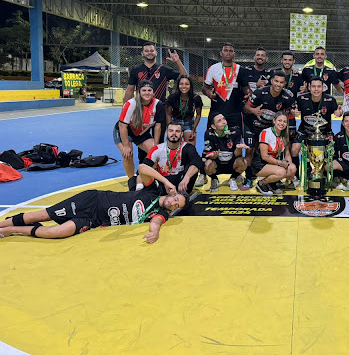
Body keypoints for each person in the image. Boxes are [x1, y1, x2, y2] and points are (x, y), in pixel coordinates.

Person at [0, 189, 186, 243]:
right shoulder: (153, 191)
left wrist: (155, 233)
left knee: (57, 232)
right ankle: (3, 224)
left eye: (177, 205)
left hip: (95, 220)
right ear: (172, 193)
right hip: (92, 200)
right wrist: (165, 181)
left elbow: (156, 223)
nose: (173, 203)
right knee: (43, 215)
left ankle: (12, 230)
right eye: (176, 199)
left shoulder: (161, 213)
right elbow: (144, 169)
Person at [244, 71, 296, 189]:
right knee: (251, 150)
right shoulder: (260, 92)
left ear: (285, 84)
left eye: (281, 82)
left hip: (271, 126)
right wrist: (254, 111)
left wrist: (294, 112)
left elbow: (290, 112)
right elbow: (246, 106)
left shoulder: (287, 96)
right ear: (271, 81)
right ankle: (249, 177)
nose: (278, 84)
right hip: (254, 125)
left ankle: (273, 178)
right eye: (276, 81)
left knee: (276, 149)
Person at [291, 76, 343, 182]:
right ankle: (295, 176)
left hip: (324, 131)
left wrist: (339, 113)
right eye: (313, 86)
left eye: (319, 86)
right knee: (295, 149)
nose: (316, 89)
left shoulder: (330, 100)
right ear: (309, 88)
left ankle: (328, 175)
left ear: (323, 88)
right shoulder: (301, 98)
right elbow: (293, 110)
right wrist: (294, 112)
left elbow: (337, 112)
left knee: (332, 149)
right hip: (305, 130)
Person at [113, 80, 164, 178]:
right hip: (124, 132)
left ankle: (150, 178)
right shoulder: (131, 104)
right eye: (144, 90)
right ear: (139, 92)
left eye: (149, 90)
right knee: (127, 154)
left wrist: (156, 145)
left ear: (153, 92)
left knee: (155, 153)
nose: (147, 93)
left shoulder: (157, 104)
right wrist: (126, 145)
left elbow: (158, 126)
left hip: (141, 133)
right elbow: (122, 126)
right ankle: (131, 180)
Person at [137, 123, 203, 196]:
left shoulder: (187, 147)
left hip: (181, 183)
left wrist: (187, 177)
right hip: (163, 183)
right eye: (171, 131)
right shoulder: (157, 149)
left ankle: (182, 195)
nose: (174, 133)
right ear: (166, 133)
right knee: (135, 179)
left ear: (181, 134)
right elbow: (143, 168)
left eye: (177, 131)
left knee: (193, 166)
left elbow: (197, 162)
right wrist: (139, 188)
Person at [202, 42, 251, 132]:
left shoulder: (240, 69)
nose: (228, 53)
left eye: (231, 51)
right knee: (214, 136)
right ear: (221, 53)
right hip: (217, 110)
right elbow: (205, 88)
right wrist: (208, 93)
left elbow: (245, 87)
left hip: (235, 110)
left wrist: (248, 93)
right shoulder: (213, 68)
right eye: (225, 50)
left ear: (234, 54)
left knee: (235, 136)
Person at [202, 112, 250, 192]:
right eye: (219, 121)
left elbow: (237, 155)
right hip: (217, 164)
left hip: (231, 164)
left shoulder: (235, 132)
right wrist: (213, 156)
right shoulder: (209, 134)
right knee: (207, 164)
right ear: (213, 126)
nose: (224, 122)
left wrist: (238, 148)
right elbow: (208, 154)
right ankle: (214, 179)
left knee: (243, 162)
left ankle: (233, 178)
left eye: (224, 119)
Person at [252, 112, 297, 195]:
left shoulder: (284, 135)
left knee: (292, 168)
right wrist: (281, 163)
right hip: (260, 163)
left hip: (274, 163)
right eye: (279, 120)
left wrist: (289, 167)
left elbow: (287, 154)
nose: (282, 123)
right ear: (274, 121)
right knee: (282, 172)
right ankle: (261, 183)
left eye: (284, 121)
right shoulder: (266, 132)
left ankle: (272, 183)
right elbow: (264, 156)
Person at [165, 75, 203, 146]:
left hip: (189, 124)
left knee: (190, 149)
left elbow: (198, 115)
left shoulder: (196, 98)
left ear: (190, 86)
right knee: (173, 148)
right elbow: (168, 114)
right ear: (178, 85)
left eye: (187, 84)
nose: (184, 86)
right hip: (175, 122)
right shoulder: (172, 97)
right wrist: (170, 128)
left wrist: (193, 130)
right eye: (181, 84)